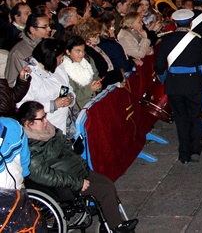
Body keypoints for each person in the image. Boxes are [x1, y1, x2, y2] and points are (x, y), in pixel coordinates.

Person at [18, 101, 138, 232]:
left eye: (45, 116)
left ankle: (112, 221)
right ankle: (116, 227)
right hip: (65, 184)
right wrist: (77, 183)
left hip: (77, 170)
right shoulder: (30, 147)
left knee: (108, 183)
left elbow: (65, 145)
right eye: (41, 119)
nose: (46, 121)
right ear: (29, 123)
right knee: (104, 191)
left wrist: (74, 146)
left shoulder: (49, 131)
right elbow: (45, 175)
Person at [154, 9, 202, 164]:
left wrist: (165, 78)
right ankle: (196, 149)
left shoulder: (167, 40)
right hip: (193, 83)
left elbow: (158, 66)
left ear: (175, 23)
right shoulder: (197, 40)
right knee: (195, 117)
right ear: (190, 23)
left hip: (175, 84)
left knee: (181, 119)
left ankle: (184, 153)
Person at [17, 38, 75, 136]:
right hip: (45, 130)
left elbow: (68, 87)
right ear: (50, 57)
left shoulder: (59, 69)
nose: (62, 59)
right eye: (60, 56)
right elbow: (22, 107)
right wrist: (52, 105)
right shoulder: (29, 76)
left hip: (65, 123)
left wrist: (70, 97)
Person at [61, 36, 103, 110]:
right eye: (78, 51)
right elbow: (69, 95)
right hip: (79, 109)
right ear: (68, 52)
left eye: (83, 50)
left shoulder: (87, 60)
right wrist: (90, 89)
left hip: (94, 102)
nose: (81, 54)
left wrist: (97, 83)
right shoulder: (63, 69)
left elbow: (95, 74)